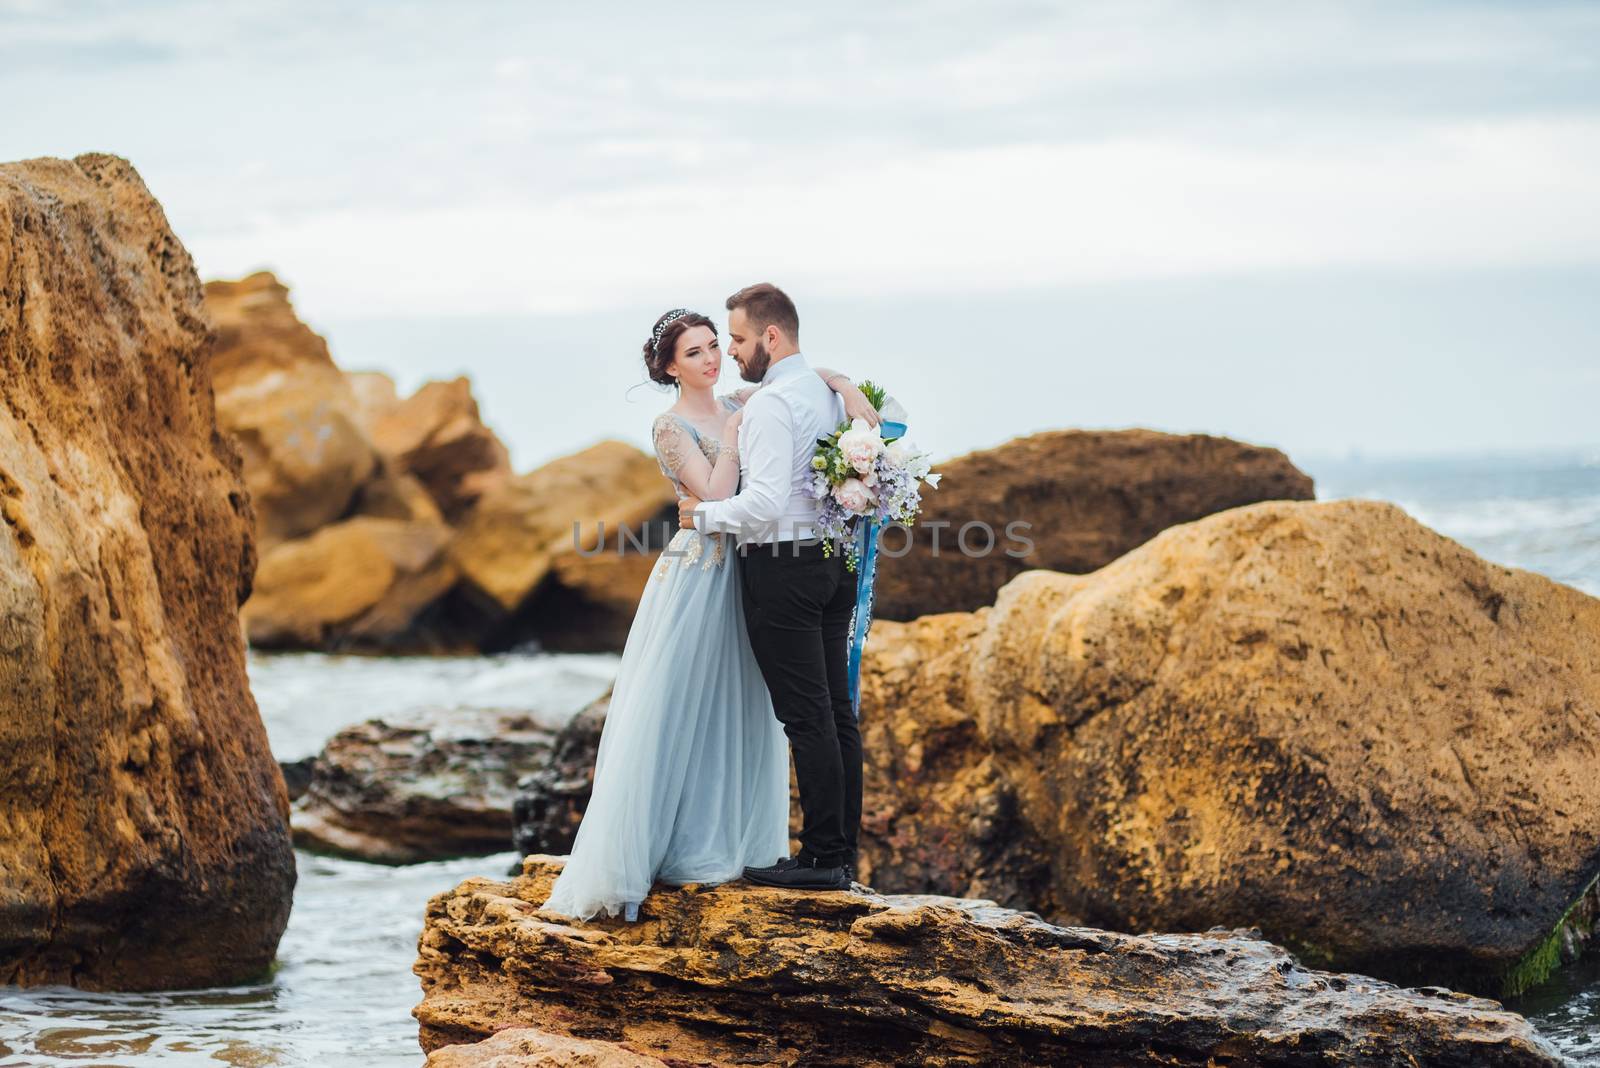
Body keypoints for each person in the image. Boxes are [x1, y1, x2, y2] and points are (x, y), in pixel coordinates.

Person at [539, 306, 876, 920]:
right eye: (694, 353)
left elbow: (803, 376)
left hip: (751, 562)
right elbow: (718, 496)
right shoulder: (672, 427)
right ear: (670, 367)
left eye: (716, 345)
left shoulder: (744, 400)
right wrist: (738, 431)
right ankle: (674, 842)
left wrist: (844, 385)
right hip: (701, 569)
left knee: (748, 708)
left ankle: (740, 840)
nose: (712, 359)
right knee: (682, 703)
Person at [680, 283, 863, 891]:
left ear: (770, 337)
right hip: (834, 563)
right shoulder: (824, 392)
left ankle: (820, 860)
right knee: (836, 713)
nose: (730, 351)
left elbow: (760, 505)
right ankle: (838, 854)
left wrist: (701, 517)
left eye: (735, 339)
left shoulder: (769, 407)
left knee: (807, 718)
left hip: (782, 571)